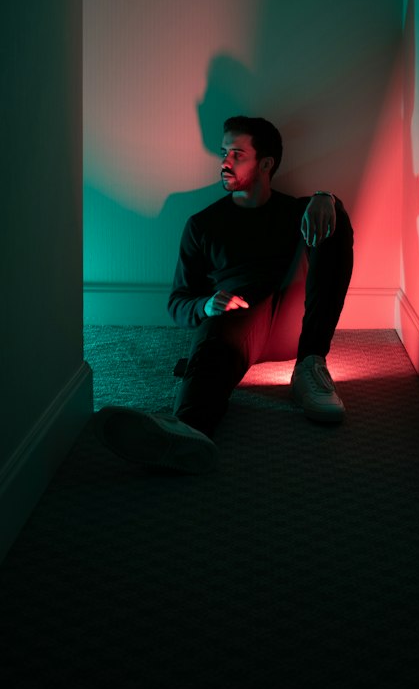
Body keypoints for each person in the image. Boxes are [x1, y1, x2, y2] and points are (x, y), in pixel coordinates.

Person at [96, 115, 354, 474]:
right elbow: (177, 303)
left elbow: (326, 234)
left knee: (331, 216)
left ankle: (311, 365)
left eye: (237, 154)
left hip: (294, 323)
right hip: (240, 325)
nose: (224, 163)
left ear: (266, 164)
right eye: (223, 153)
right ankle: (186, 434)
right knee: (219, 324)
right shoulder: (203, 225)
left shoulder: (296, 212)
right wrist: (205, 304)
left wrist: (329, 199)